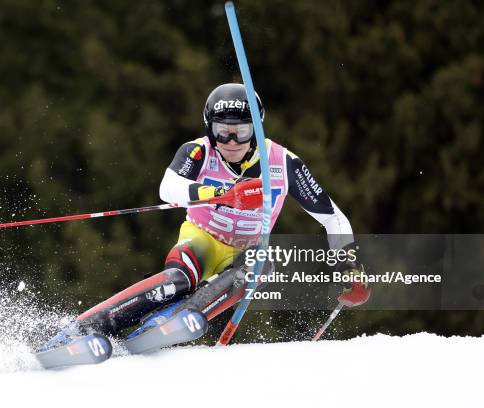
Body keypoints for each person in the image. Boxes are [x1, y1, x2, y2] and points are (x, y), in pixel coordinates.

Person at [72, 83, 370, 339]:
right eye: (221, 132)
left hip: (247, 250)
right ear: (209, 128)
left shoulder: (282, 162)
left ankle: (177, 319)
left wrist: (349, 267)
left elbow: (332, 217)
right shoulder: (198, 151)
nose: (230, 142)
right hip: (203, 237)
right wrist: (222, 194)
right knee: (179, 278)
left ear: (256, 127)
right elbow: (168, 188)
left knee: (259, 267)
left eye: (241, 132)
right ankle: (93, 325)